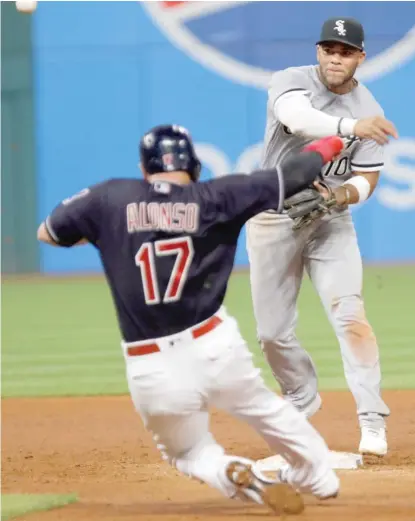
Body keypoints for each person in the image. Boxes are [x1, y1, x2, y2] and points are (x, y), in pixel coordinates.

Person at [37, 124, 344, 515]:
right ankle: (318, 475)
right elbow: (295, 174)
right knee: (264, 408)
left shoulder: (109, 198)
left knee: (187, 452)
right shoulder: (218, 196)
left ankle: (228, 469)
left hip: (149, 363)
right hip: (213, 344)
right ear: (194, 165)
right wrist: (333, 141)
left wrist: (103, 233)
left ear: (144, 168)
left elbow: (49, 232)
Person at [246, 17, 399, 458]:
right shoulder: (291, 82)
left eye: (345, 51)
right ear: (318, 52)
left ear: (360, 58)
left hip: (330, 221)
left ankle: (371, 420)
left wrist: (341, 195)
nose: (336, 58)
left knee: (351, 317)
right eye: (329, 49)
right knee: (272, 333)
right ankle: (300, 395)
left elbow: (368, 178)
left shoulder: (369, 106)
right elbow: (299, 119)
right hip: (273, 218)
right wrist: (353, 129)